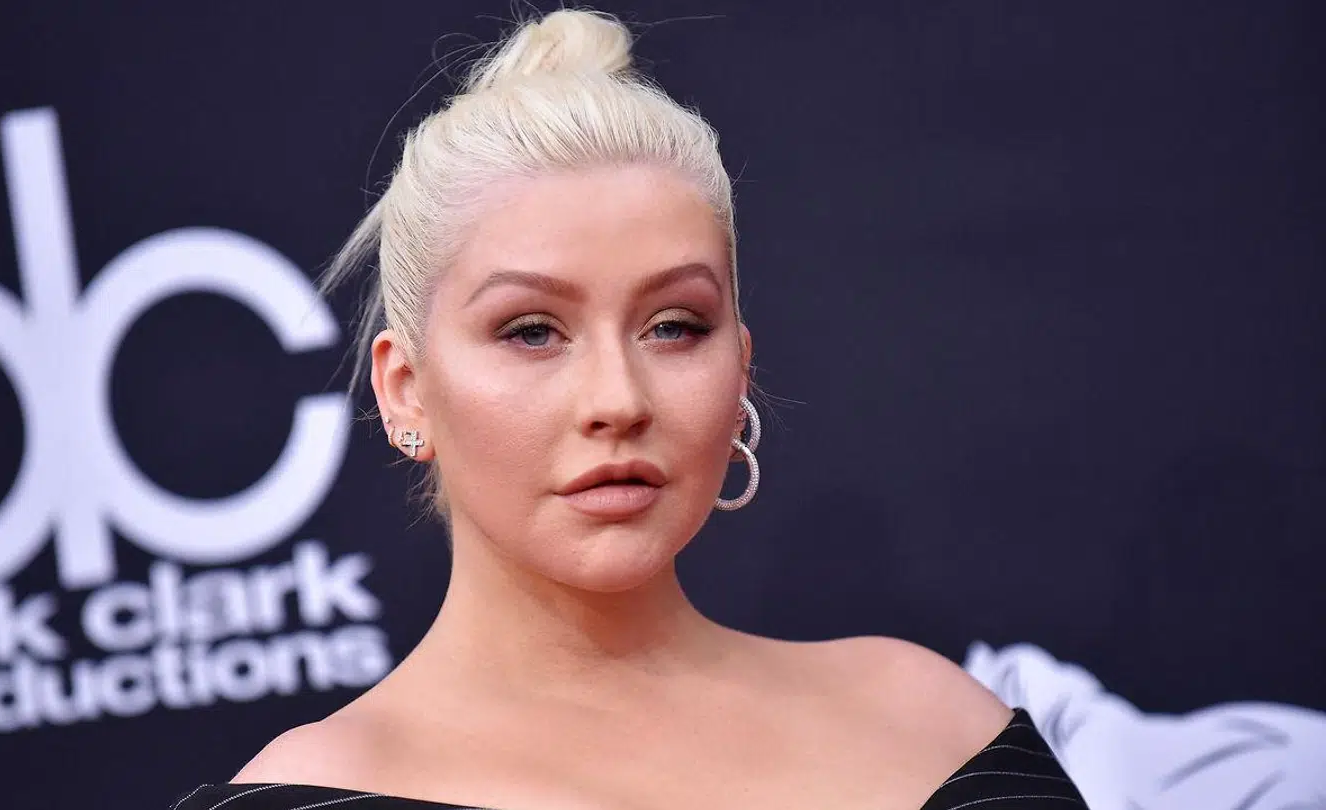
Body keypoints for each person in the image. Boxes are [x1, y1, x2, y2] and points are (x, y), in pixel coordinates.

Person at [172, 9, 1087, 810]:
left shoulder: (933, 722)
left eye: (675, 326)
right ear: (404, 388)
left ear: (741, 365)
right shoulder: (308, 792)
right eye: (532, 331)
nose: (618, 399)